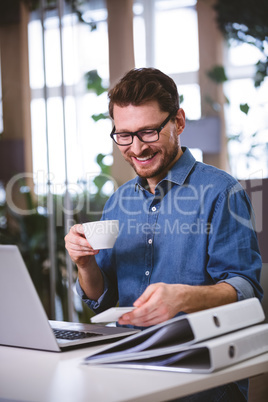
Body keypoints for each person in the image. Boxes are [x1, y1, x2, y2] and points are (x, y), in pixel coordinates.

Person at [65, 68, 262, 401]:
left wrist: (183, 297)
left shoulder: (221, 192)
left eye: (148, 132)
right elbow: (104, 296)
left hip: (201, 377)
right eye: (124, 135)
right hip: (127, 367)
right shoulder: (119, 200)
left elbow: (246, 288)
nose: (137, 147)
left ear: (179, 122)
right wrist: (84, 264)